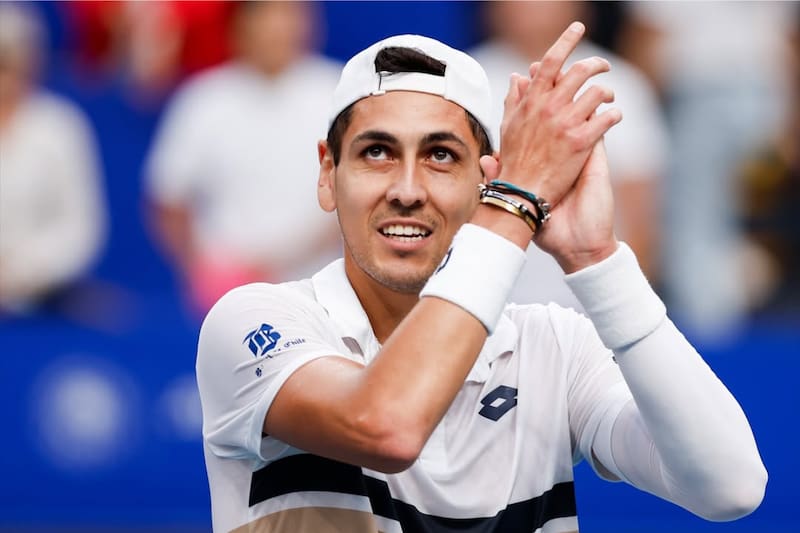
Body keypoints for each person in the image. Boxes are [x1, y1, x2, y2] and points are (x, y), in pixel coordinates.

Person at [196, 25, 766, 533]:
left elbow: (730, 488)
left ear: (482, 183)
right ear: (328, 174)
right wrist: (517, 204)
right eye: (377, 152)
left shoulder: (555, 346)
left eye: (441, 156)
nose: (407, 189)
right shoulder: (254, 320)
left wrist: (598, 259)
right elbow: (387, 425)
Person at [470, 1, 668, 311]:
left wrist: (625, 309)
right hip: (488, 307)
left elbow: (642, 217)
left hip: (592, 309)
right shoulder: (466, 81)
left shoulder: (622, 84)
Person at [145, 1, 341, 315]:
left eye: (286, 14)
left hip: (323, 288)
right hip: (228, 297)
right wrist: (200, 268)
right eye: (263, 16)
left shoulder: (339, 91)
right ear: (239, 26)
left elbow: (360, 189)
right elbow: (169, 200)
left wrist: (288, 260)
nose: (275, 28)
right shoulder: (204, 98)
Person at [0, 3, 107, 316]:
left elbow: (82, 228)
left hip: (44, 300)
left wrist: (20, 272)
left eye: (6, 61)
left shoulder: (60, 127)